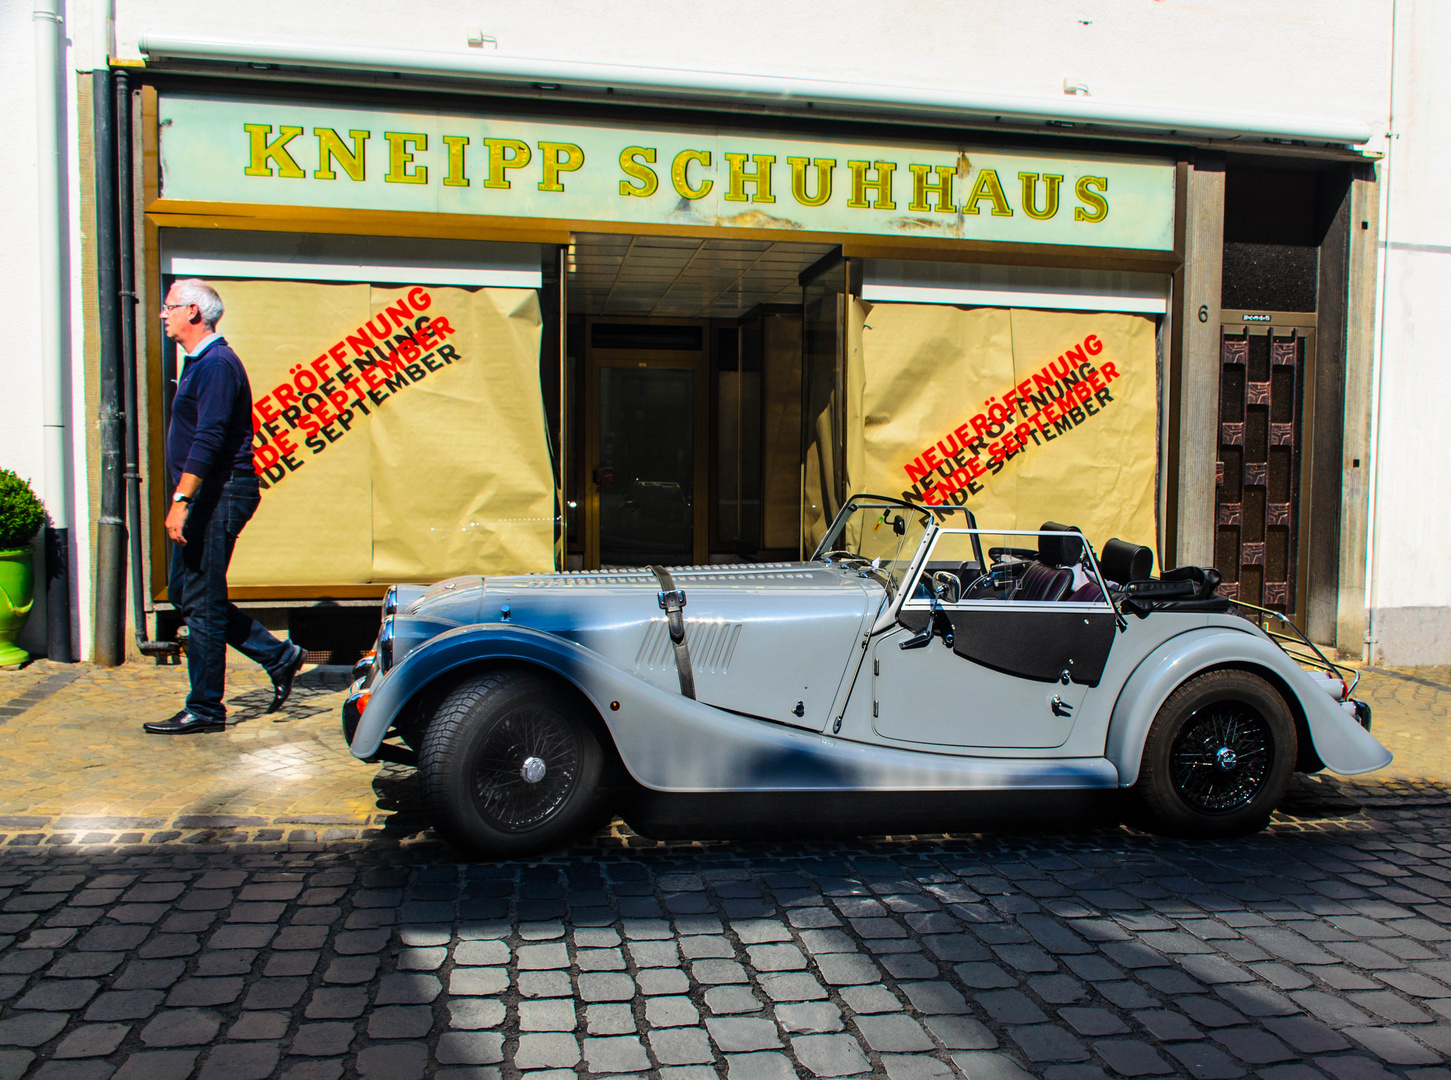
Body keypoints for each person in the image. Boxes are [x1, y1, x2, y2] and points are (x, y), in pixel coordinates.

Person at [144, 279, 305, 735]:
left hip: (218, 494)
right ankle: (277, 654)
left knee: (202, 600)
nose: (163, 314)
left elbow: (210, 438)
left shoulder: (216, 365)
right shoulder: (200, 363)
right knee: (186, 593)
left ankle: (206, 709)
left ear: (194, 312)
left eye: (170, 306)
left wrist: (182, 499)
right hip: (208, 495)